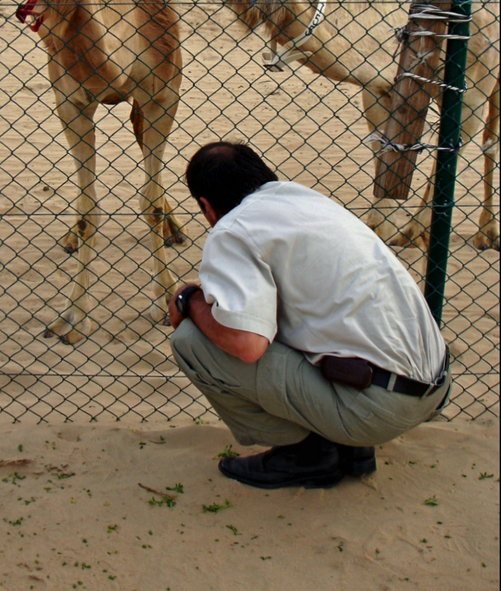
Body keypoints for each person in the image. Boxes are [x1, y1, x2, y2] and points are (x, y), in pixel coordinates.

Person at [169, 141, 451, 490]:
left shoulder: (232, 230)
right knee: (303, 315)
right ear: (263, 176)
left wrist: (190, 300)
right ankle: (348, 444)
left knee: (190, 340)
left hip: (379, 408)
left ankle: (305, 454)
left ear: (207, 207)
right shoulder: (307, 200)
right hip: (433, 387)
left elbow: (248, 345)